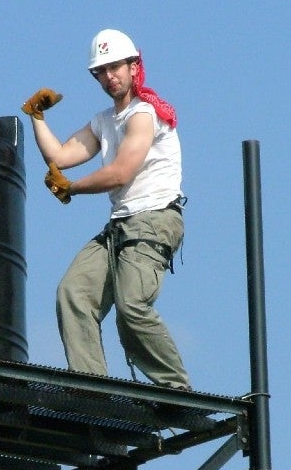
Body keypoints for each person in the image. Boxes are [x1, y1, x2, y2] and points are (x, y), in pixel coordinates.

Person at [21, 28, 190, 389]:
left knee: (132, 307)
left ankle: (175, 388)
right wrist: (36, 116)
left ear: (133, 66)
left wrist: (73, 189)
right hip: (121, 226)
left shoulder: (144, 114)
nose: (109, 76)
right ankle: (92, 388)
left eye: (115, 67)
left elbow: (121, 172)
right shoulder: (103, 121)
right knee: (74, 293)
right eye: (101, 71)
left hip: (153, 221)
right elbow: (60, 157)